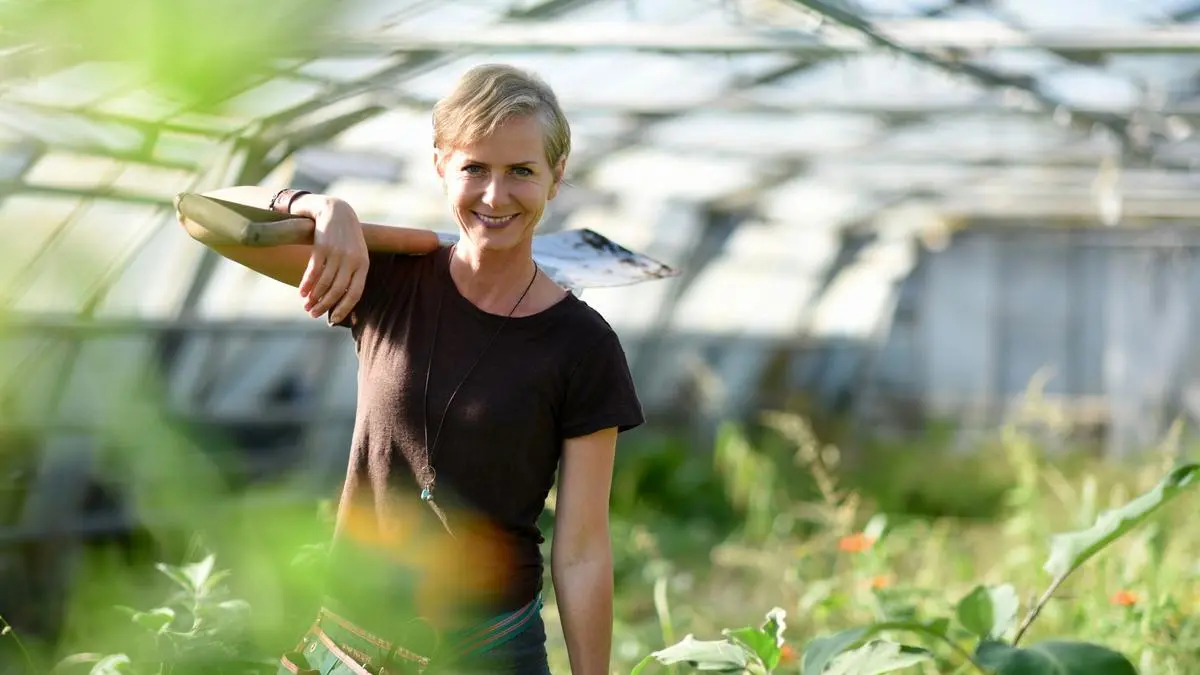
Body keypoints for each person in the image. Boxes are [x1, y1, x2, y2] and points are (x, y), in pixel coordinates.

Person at [177, 64, 645, 674]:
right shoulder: (385, 281)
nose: (495, 196)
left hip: (489, 649)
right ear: (441, 166)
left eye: (521, 171)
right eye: (474, 167)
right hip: (352, 642)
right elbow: (198, 213)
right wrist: (319, 207)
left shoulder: (583, 344)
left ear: (556, 178)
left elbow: (581, 550)